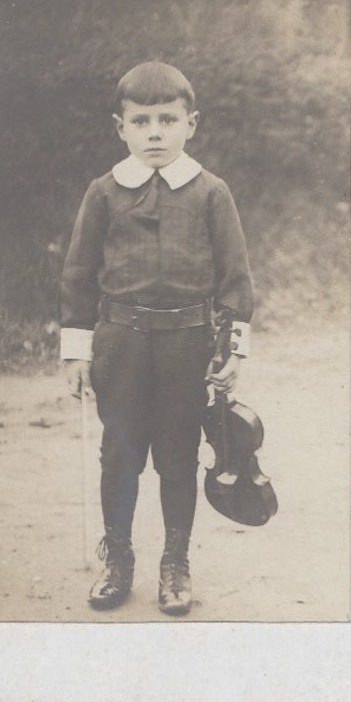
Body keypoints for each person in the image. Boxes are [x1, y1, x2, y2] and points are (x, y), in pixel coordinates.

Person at [60, 61, 253, 616]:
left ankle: (175, 564)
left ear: (191, 123)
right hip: (120, 343)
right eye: (140, 121)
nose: (154, 132)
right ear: (120, 127)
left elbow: (236, 279)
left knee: (177, 455)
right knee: (119, 453)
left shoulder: (211, 193)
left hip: (187, 345)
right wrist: (78, 351)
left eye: (167, 120)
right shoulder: (103, 193)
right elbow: (77, 276)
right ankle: (118, 559)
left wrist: (231, 350)